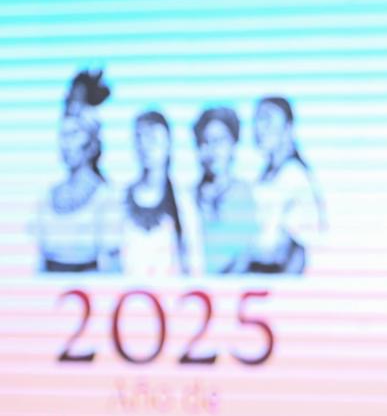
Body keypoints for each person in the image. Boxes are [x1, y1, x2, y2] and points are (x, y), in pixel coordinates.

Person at [34, 69, 122, 272]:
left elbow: (113, 266)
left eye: (74, 134)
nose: (66, 144)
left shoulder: (105, 198)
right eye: (63, 135)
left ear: (91, 140)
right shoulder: (47, 196)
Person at [248, 96, 322, 274]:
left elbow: (300, 247)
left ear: (288, 128)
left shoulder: (294, 176)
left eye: (267, 119)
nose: (259, 128)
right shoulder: (267, 176)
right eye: (257, 120)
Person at [121, 110, 188, 276]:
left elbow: (192, 256)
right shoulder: (120, 198)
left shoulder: (183, 200)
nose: (145, 146)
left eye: (152, 138)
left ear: (168, 143)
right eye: (139, 137)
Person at [192, 106, 258, 274]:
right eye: (205, 141)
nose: (212, 150)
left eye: (219, 141)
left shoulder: (246, 195)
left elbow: (248, 252)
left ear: (233, 144)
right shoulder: (187, 197)